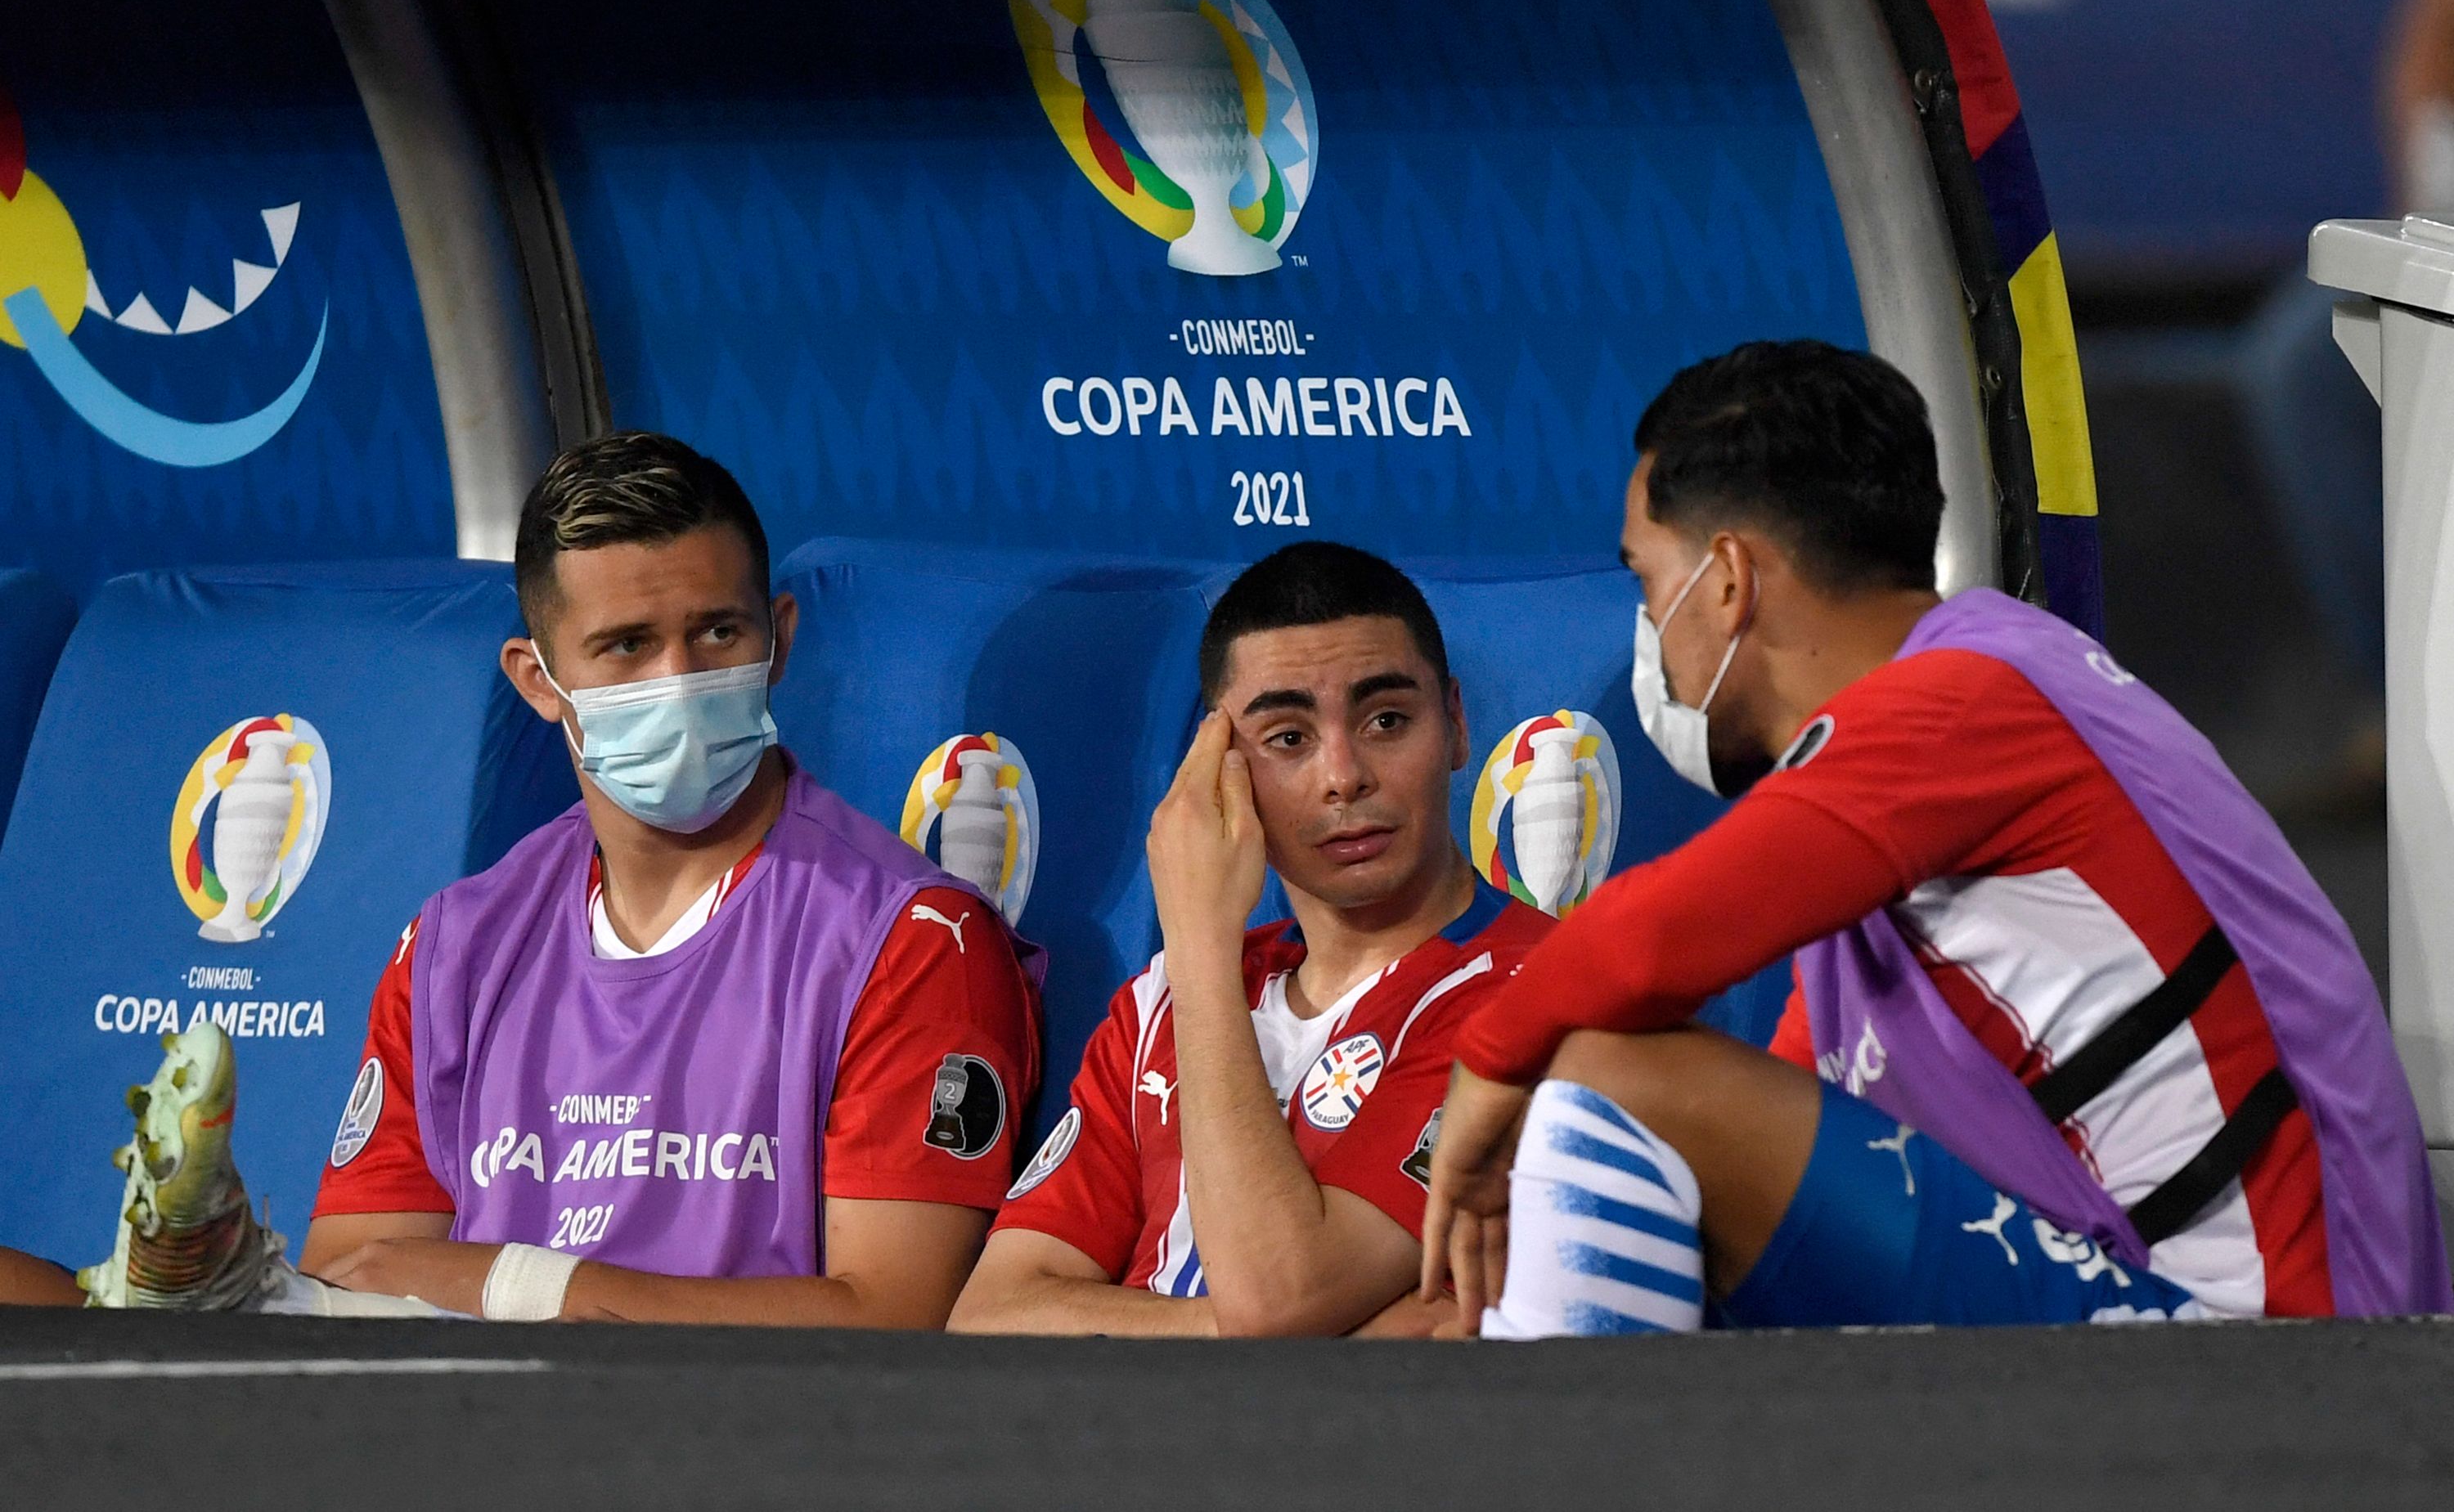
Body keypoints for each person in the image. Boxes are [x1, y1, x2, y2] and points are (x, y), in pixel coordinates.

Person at [1418, 340, 2450, 1338]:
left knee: (1608, 1074)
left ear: (1728, 579)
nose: (1649, 631)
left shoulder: (1962, 699)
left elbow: (1643, 943)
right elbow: (1783, 1128)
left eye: (1647, 581)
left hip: (2272, 1341)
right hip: (2185, 1305)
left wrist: (1487, 1070)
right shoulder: (1940, 744)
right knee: (1661, 1164)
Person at [41, 433, 1043, 1326]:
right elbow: (344, 1279)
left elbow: (891, 1319)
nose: (677, 679)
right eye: (625, 646)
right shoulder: (456, 945)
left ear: (778, 639)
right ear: (536, 679)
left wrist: (522, 1287)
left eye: (717, 633)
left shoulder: (908, 938)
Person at [950, 543, 1552, 1336]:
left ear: (1458, 725)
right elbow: (991, 1314)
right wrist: (1234, 1331)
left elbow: (1281, 1297)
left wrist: (1197, 941)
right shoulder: (1158, 1007)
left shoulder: (1536, 993)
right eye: (1288, 738)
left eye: (1387, 720)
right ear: (1219, 764)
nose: (1344, 775)